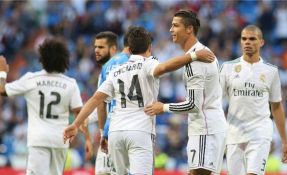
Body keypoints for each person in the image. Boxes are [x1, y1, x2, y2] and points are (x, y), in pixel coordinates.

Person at [63, 26, 215, 175]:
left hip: (116, 133)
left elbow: (96, 99)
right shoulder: (148, 62)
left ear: (128, 48)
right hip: (140, 131)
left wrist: (76, 124)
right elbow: (163, 68)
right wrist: (193, 56)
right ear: (149, 47)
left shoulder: (116, 71)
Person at [144, 10, 226, 175]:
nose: (170, 30)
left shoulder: (196, 61)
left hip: (205, 129)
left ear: (189, 29)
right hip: (208, 126)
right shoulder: (199, 54)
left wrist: (163, 108)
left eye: (175, 25)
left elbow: (193, 105)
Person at [0, 38, 91, 175]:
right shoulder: (70, 84)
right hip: (60, 140)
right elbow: (80, 113)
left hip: (38, 140)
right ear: (64, 60)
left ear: (42, 58)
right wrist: (86, 138)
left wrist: (2, 72)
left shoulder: (31, 79)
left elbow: (2, 90)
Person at [219, 25, 287, 175]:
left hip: (260, 132)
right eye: (244, 39)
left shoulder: (271, 71)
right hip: (234, 132)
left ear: (261, 42)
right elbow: (215, 101)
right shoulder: (227, 68)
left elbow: (276, 107)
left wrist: (284, 142)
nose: (247, 42)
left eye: (252, 39)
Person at [88, 31, 130, 175]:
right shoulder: (128, 63)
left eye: (101, 47)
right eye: (95, 47)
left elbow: (101, 104)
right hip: (124, 130)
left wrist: (102, 134)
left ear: (113, 49)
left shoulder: (108, 69)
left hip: (111, 132)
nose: (96, 51)